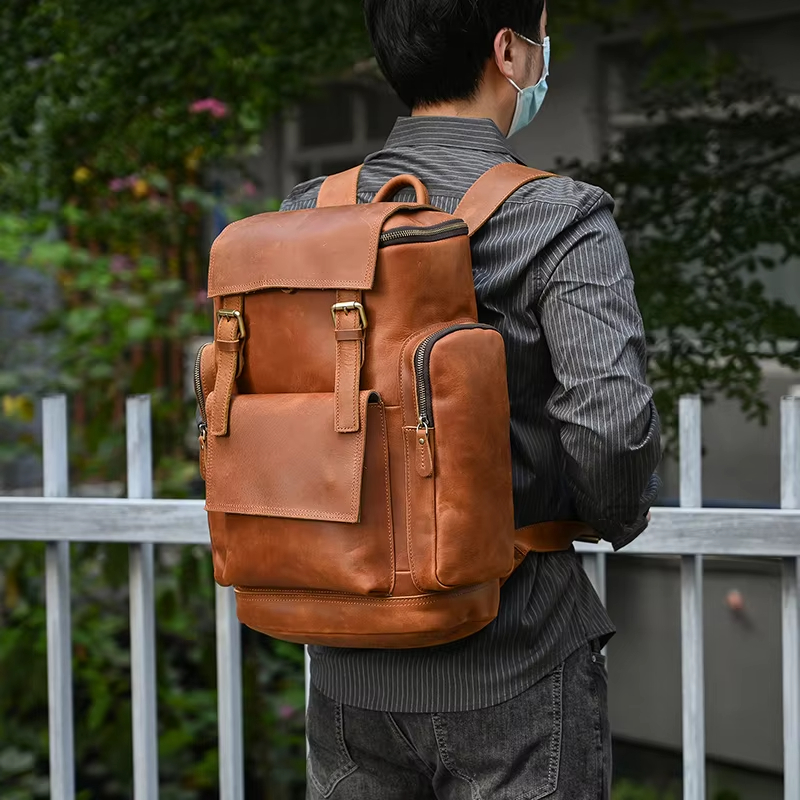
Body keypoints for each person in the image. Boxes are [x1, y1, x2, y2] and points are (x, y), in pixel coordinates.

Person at [280, 1, 662, 797]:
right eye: (541, 35)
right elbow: (611, 432)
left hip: (348, 657)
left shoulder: (307, 213)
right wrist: (611, 517)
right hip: (512, 646)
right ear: (509, 52)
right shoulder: (559, 216)